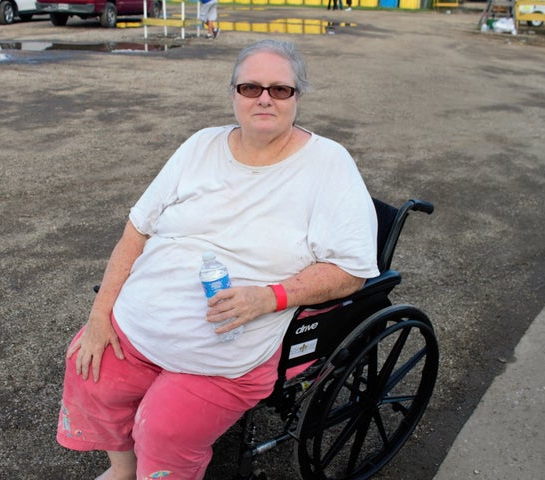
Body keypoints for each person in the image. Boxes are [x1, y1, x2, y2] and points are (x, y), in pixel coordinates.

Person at [56, 39, 380, 480]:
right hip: (138, 326)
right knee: (88, 368)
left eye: (280, 90)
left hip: (225, 358)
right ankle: (123, 471)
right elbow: (138, 228)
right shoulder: (200, 146)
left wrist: (270, 297)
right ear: (233, 94)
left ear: (297, 97)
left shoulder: (328, 164)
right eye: (250, 87)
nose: (264, 98)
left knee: (162, 430)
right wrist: (99, 316)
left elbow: (350, 271)